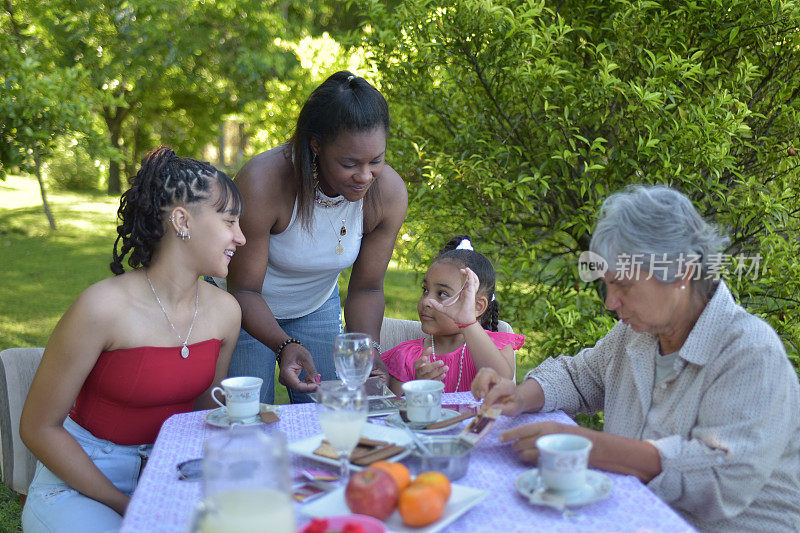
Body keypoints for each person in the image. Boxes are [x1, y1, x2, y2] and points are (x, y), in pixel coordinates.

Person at [473, 185, 800, 532]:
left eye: (624, 285)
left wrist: (583, 446)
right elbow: (579, 376)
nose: (611, 303)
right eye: (607, 285)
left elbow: (720, 475)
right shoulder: (638, 335)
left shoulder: (749, 352)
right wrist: (519, 395)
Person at [20, 147, 246, 532]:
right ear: (181, 220)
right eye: (229, 221)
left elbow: (204, 412)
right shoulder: (102, 307)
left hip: (169, 473)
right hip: (81, 485)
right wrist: (127, 503)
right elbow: (38, 428)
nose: (240, 237)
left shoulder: (226, 311)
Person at [226, 70, 407, 404]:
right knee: (247, 415)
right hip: (241, 310)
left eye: (376, 160)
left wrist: (367, 352)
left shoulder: (387, 194)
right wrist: (283, 344)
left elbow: (367, 288)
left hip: (316, 306)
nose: (364, 176)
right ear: (316, 144)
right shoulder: (265, 182)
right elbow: (243, 288)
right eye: (349, 163)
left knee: (329, 411)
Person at [381, 236, 524, 395]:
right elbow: (395, 409)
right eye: (425, 290)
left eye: (442, 293)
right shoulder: (406, 356)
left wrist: (468, 323)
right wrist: (418, 385)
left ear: (477, 306)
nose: (427, 301)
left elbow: (502, 381)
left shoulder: (496, 346)